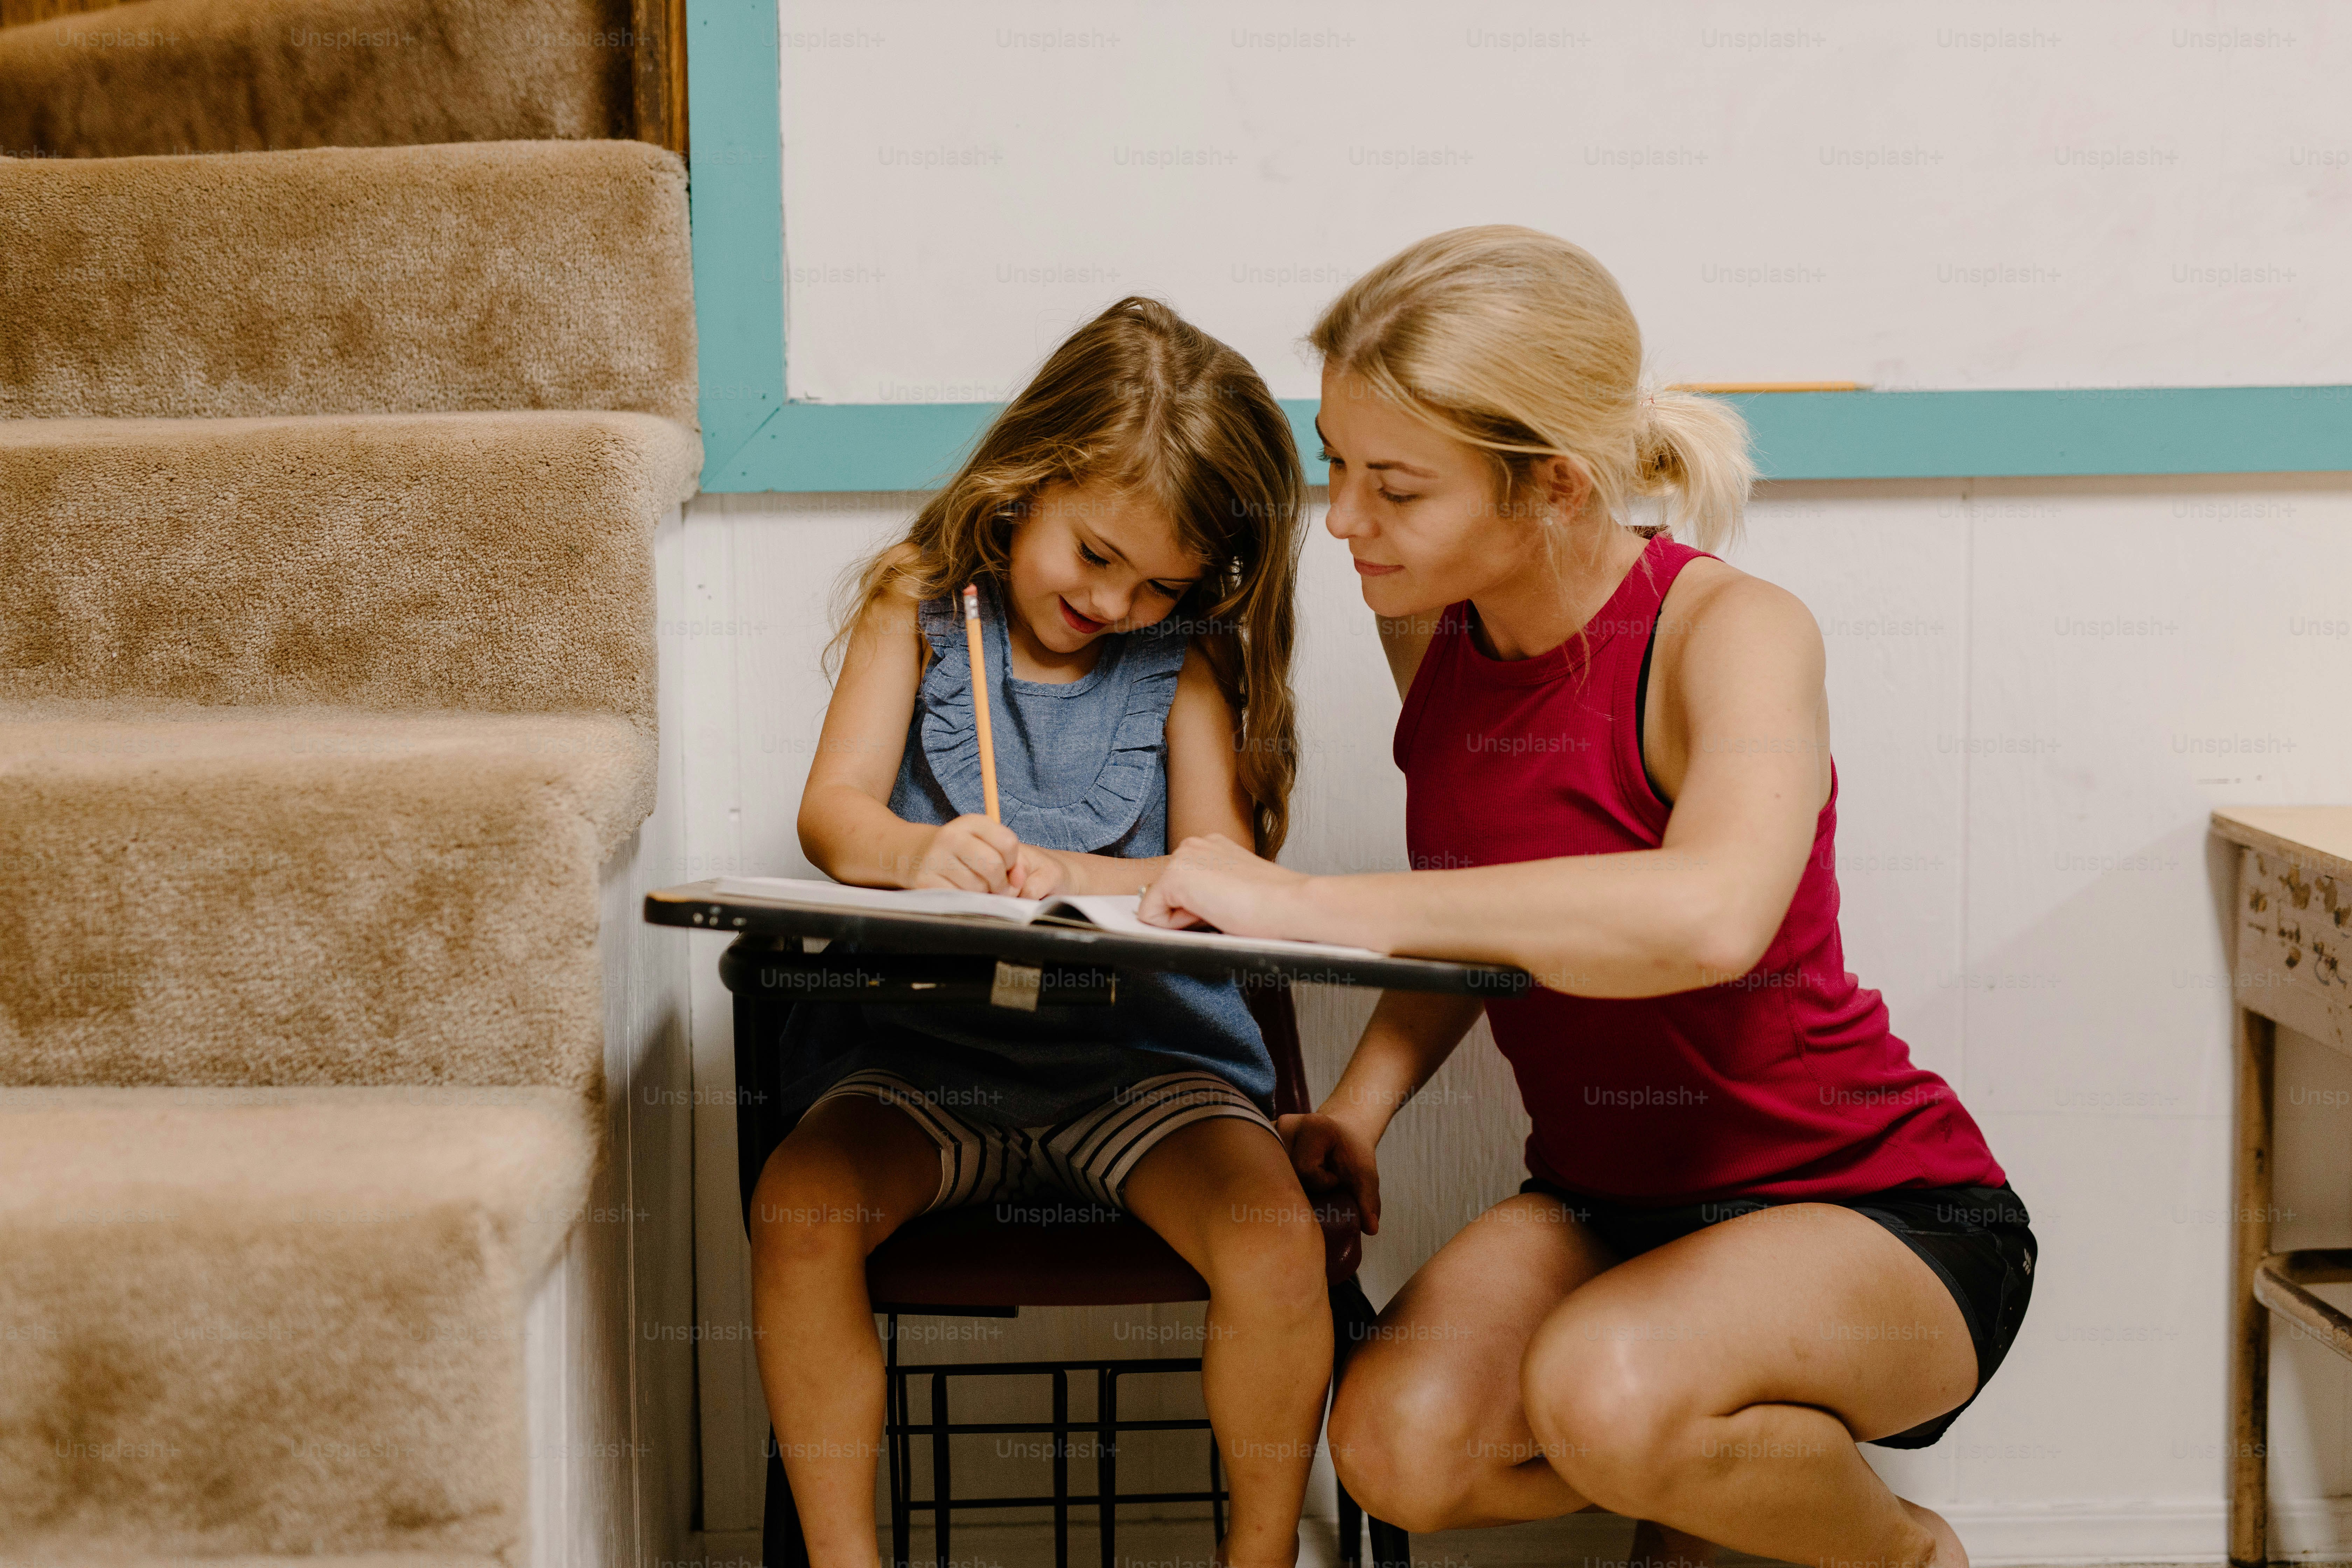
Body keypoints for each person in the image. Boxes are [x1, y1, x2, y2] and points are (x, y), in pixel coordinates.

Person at [1138, 228, 2035, 1568]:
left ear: (1550, 487)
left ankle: (1901, 1554)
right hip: (1605, 1200)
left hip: (1872, 1205)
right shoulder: (1432, 624)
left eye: (1395, 485)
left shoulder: (1730, 632)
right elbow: (1492, 907)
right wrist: (1359, 1110)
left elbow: (1705, 920)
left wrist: (1312, 902)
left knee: (1605, 1397)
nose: (1342, 521)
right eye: (1336, 461)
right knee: (1393, 1447)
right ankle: (1706, 1479)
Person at [751, 296, 1325, 1568]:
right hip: (919, 1066)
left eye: (1162, 582)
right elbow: (832, 817)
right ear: (1026, 483)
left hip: (1143, 1070)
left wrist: (1069, 868)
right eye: (1096, 555)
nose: (1118, 601)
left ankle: (1266, 1559)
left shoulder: (1181, 664)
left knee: (1275, 1237)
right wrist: (919, 854)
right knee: (799, 1210)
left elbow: (1220, 867)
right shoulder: (915, 605)